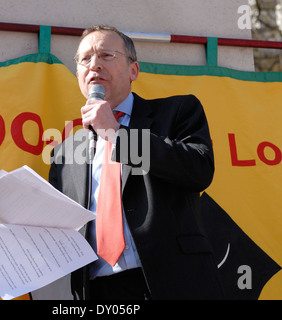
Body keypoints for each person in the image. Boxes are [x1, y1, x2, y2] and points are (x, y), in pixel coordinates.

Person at [49, 25, 224, 300]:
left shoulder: (177, 111)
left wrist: (117, 135)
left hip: (172, 282)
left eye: (106, 55)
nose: (94, 64)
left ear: (134, 71)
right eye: (85, 59)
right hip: (98, 290)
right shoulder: (65, 153)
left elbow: (198, 170)